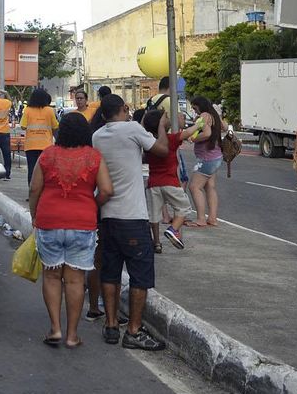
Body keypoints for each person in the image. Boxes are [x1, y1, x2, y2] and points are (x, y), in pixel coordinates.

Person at [90, 94, 169, 351]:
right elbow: (161, 150)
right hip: (132, 216)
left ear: (103, 115)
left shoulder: (97, 136)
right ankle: (133, 331)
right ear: (125, 108)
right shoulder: (134, 128)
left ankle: (111, 324)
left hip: (107, 216)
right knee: (140, 277)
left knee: (110, 272)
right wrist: (160, 128)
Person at [28, 112, 113, 349]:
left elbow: (35, 189)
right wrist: (90, 206)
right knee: (75, 281)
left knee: (52, 276)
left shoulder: (47, 155)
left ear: (61, 132)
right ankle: (72, 335)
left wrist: (34, 215)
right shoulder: (94, 157)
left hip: (49, 221)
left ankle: (55, 329)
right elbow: (106, 190)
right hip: (82, 224)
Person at [141, 109, 188, 251]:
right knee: (184, 207)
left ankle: (156, 243)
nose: (169, 118)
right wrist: (201, 123)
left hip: (153, 183)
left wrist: (145, 118)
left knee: (153, 215)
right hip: (170, 182)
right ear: (161, 123)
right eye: (166, 117)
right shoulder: (171, 139)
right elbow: (190, 132)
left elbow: (142, 128)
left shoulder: (148, 142)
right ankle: (173, 229)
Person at [184, 96, 224, 227]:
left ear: (200, 106)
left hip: (207, 158)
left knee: (194, 187)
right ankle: (212, 218)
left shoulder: (204, 115)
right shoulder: (214, 115)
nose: (195, 111)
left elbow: (206, 133)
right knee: (209, 187)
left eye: (195, 108)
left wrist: (192, 139)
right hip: (216, 156)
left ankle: (201, 218)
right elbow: (223, 126)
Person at [21, 88, 60, 183]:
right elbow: (55, 126)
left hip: (31, 146)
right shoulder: (50, 110)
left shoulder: (27, 110)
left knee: (32, 170)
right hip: (46, 146)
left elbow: (23, 126)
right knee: (45, 171)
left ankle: (31, 192)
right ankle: (44, 192)